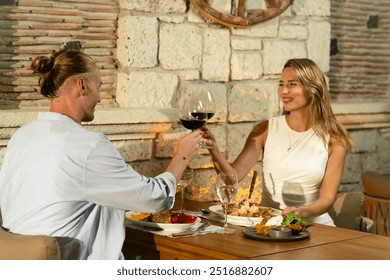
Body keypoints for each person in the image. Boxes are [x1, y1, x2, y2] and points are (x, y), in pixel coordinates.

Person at [0, 48, 203, 259]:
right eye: (99, 86)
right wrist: (181, 157)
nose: (99, 97)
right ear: (82, 85)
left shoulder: (21, 137)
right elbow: (152, 199)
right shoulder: (88, 146)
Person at [203, 58, 354, 226]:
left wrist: (301, 212)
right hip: (270, 226)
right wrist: (213, 149)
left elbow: (327, 199)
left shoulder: (334, 140)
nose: (284, 91)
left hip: (314, 227)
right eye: (281, 84)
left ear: (313, 89)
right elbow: (233, 178)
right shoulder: (265, 130)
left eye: (292, 84)